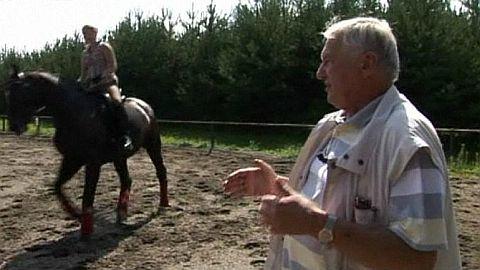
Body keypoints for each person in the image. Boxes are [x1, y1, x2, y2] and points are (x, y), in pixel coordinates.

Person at [224, 17, 461, 270]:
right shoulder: (334, 125)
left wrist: (318, 225)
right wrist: (279, 186)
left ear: (366, 64)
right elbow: (332, 197)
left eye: (328, 61)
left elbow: (418, 259)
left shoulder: (408, 141)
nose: (319, 73)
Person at [80, 24, 133, 151]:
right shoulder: (85, 53)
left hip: (108, 83)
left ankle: (125, 136)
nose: (86, 36)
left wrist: (102, 77)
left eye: (88, 33)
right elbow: (83, 73)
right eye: (84, 34)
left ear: (95, 33)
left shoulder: (104, 47)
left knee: (116, 101)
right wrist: (79, 83)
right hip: (92, 86)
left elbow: (112, 66)